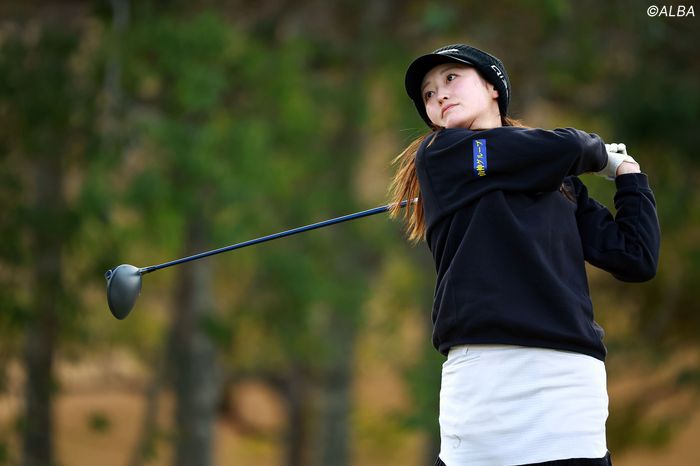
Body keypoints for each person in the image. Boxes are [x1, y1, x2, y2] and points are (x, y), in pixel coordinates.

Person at [388, 44, 660, 466]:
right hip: (484, 378)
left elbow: (635, 256)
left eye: (451, 78)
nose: (439, 94)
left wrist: (630, 177)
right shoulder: (441, 155)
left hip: (568, 383)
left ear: (493, 87)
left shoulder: (560, 182)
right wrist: (599, 153)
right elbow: (562, 148)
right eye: (428, 93)